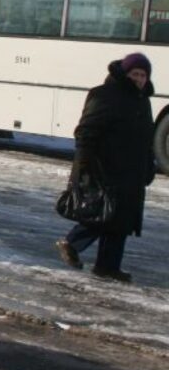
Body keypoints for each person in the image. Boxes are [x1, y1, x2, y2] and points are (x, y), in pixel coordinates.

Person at [55, 52, 156, 283]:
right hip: (106, 167)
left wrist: (148, 166)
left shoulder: (142, 100)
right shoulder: (106, 95)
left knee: (121, 219)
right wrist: (84, 162)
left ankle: (108, 266)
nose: (139, 79)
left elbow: (146, 137)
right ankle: (72, 242)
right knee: (106, 213)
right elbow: (86, 131)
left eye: (143, 75)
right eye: (135, 74)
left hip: (131, 171)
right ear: (125, 73)